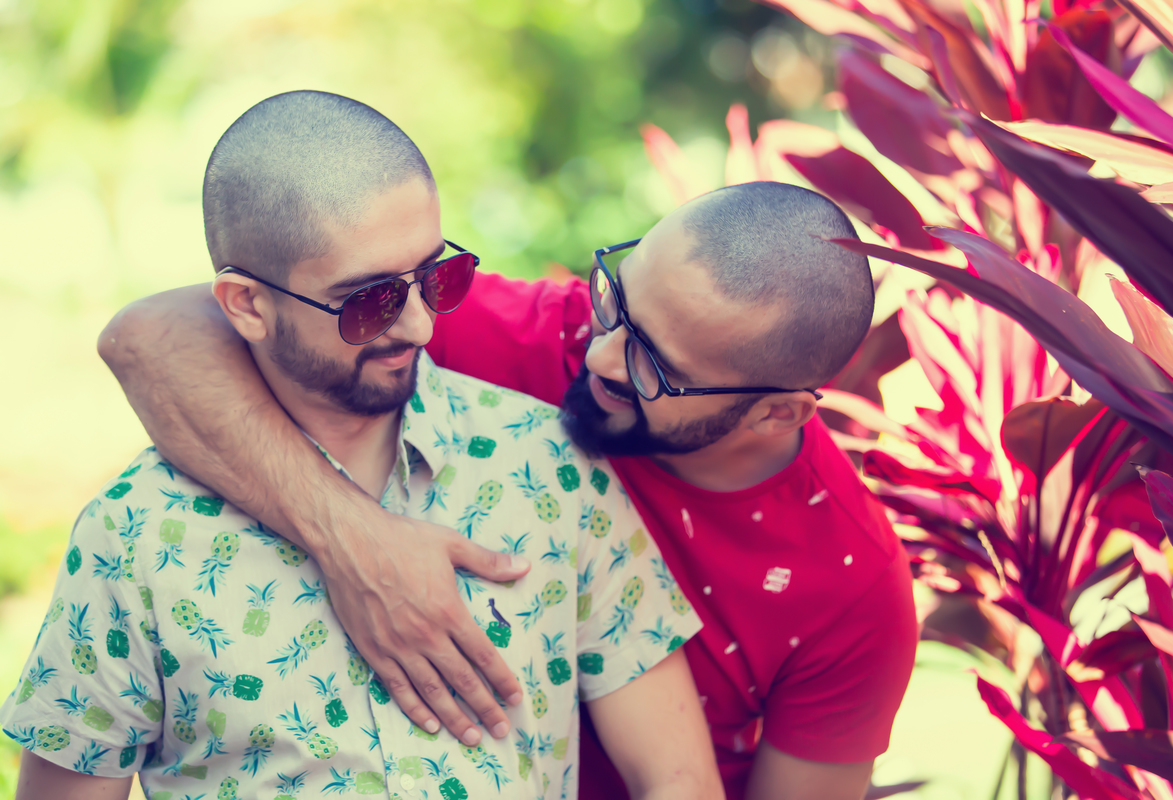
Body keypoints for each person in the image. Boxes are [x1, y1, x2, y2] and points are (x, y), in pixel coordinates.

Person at [2, 90, 721, 800]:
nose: (420, 326)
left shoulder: (553, 469)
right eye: (369, 302)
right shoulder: (135, 533)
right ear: (247, 305)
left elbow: (677, 778)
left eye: (438, 276)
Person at [102, 176, 919, 798]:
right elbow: (149, 337)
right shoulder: (529, 336)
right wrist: (352, 540)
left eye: (654, 366)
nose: (598, 356)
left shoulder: (853, 591)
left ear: (776, 413)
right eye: (617, 302)